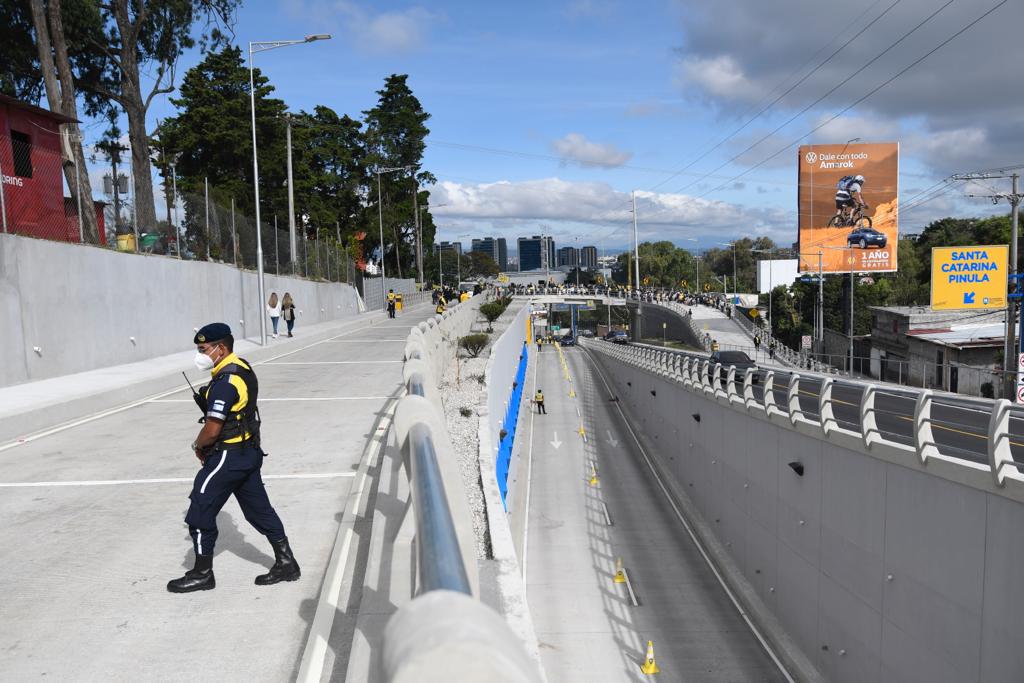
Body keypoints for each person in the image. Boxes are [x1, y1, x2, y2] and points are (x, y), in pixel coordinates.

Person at [167, 323, 299, 593]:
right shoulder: (241, 367)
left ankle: (202, 573)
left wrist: (198, 446)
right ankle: (287, 562)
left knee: (200, 508)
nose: (200, 355)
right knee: (259, 511)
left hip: (228, 456)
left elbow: (213, 429)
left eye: (203, 349)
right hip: (249, 453)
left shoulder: (225, 382)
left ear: (221, 348)